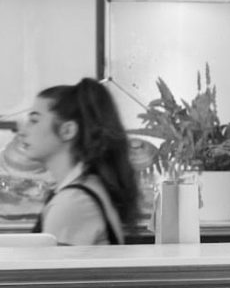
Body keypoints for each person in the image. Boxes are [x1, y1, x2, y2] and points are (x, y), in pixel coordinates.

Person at [17, 78, 139, 245]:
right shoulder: (84, 188)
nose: (23, 132)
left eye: (34, 120)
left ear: (67, 131)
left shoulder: (72, 203)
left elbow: (50, 270)